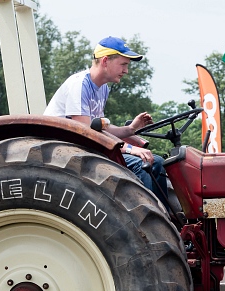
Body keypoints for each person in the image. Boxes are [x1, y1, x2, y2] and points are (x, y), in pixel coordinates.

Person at [43, 36, 170, 205]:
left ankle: (168, 219)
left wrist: (130, 129)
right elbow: (85, 132)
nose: (126, 71)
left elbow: (100, 128)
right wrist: (130, 149)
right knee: (142, 164)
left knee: (157, 162)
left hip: (86, 146)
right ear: (105, 61)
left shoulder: (102, 88)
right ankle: (149, 219)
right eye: (123, 64)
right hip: (66, 150)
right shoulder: (80, 84)